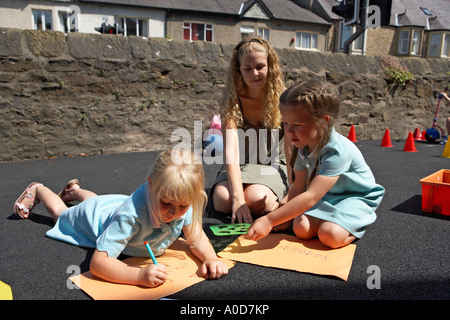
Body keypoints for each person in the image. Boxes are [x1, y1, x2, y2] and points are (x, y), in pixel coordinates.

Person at [13, 149, 228, 287]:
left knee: (98, 200)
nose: (175, 212)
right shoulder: (129, 217)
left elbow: (197, 237)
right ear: (151, 184)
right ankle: (39, 188)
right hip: (93, 216)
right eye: (166, 203)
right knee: (61, 214)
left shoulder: (180, 200)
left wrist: (210, 258)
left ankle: (75, 191)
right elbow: (98, 263)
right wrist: (138, 276)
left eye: (183, 206)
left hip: (110, 206)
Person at [247, 78, 385, 248]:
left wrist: (270, 220)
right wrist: (282, 215)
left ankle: (355, 224)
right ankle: (333, 220)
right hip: (327, 196)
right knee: (300, 228)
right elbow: (298, 188)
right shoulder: (303, 145)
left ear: (323, 121)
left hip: (354, 197)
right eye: (285, 123)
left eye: (297, 124)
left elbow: (311, 196)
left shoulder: (337, 151)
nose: (289, 131)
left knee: (330, 235)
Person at [211, 36, 289, 224]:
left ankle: (270, 198)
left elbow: (292, 147)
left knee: (256, 199)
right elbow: (231, 151)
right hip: (241, 163)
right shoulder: (231, 101)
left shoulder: (284, 98)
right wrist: (237, 198)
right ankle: (244, 196)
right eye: (247, 68)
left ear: (270, 66)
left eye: (260, 66)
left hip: (273, 162)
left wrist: (293, 189)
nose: (254, 73)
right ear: (239, 71)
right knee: (223, 200)